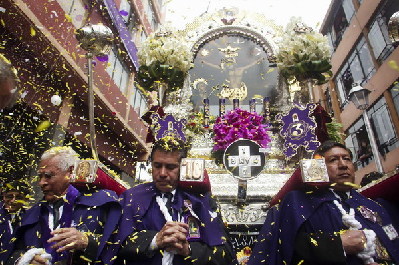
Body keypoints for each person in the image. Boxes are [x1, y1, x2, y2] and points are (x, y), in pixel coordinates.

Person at [248, 140, 399, 265]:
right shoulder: (299, 202)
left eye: (346, 159)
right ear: (318, 167)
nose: (343, 165)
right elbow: (282, 247)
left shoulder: (375, 205)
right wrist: (336, 245)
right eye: (333, 160)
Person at [103, 137, 235, 265]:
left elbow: (225, 255)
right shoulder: (131, 198)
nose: (162, 173)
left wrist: (188, 250)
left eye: (170, 167)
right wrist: (154, 241)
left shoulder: (202, 201)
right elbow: (112, 246)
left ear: (183, 167)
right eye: (157, 165)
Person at [6, 146, 121, 265]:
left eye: (48, 176)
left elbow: (119, 247)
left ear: (70, 172)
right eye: (40, 176)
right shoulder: (32, 213)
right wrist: (25, 259)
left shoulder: (102, 203)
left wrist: (88, 242)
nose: (41, 183)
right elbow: (12, 252)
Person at [0, 180, 31, 264]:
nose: (13, 201)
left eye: (18, 198)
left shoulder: (30, 218)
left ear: (26, 199)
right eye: (10, 196)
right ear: (3, 196)